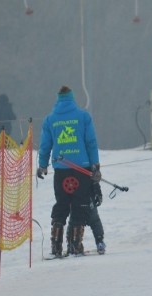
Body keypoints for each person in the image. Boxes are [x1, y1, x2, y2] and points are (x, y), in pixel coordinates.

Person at [36, 85, 101, 257]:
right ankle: (75, 245)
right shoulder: (83, 116)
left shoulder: (50, 120)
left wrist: (42, 165)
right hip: (82, 168)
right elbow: (91, 142)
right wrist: (95, 164)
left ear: (58, 99)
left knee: (62, 204)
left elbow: (45, 145)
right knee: (80, 205)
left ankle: (56, 246)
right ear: (72, 98)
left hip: (61, 169)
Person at [67, 181, 106, 254]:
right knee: (95, 222)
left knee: (74, 222)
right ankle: (99, 242)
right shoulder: (91, 170)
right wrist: (98, 194)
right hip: (89, 200)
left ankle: (73, 245)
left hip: (76, 199)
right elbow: (95, 180)